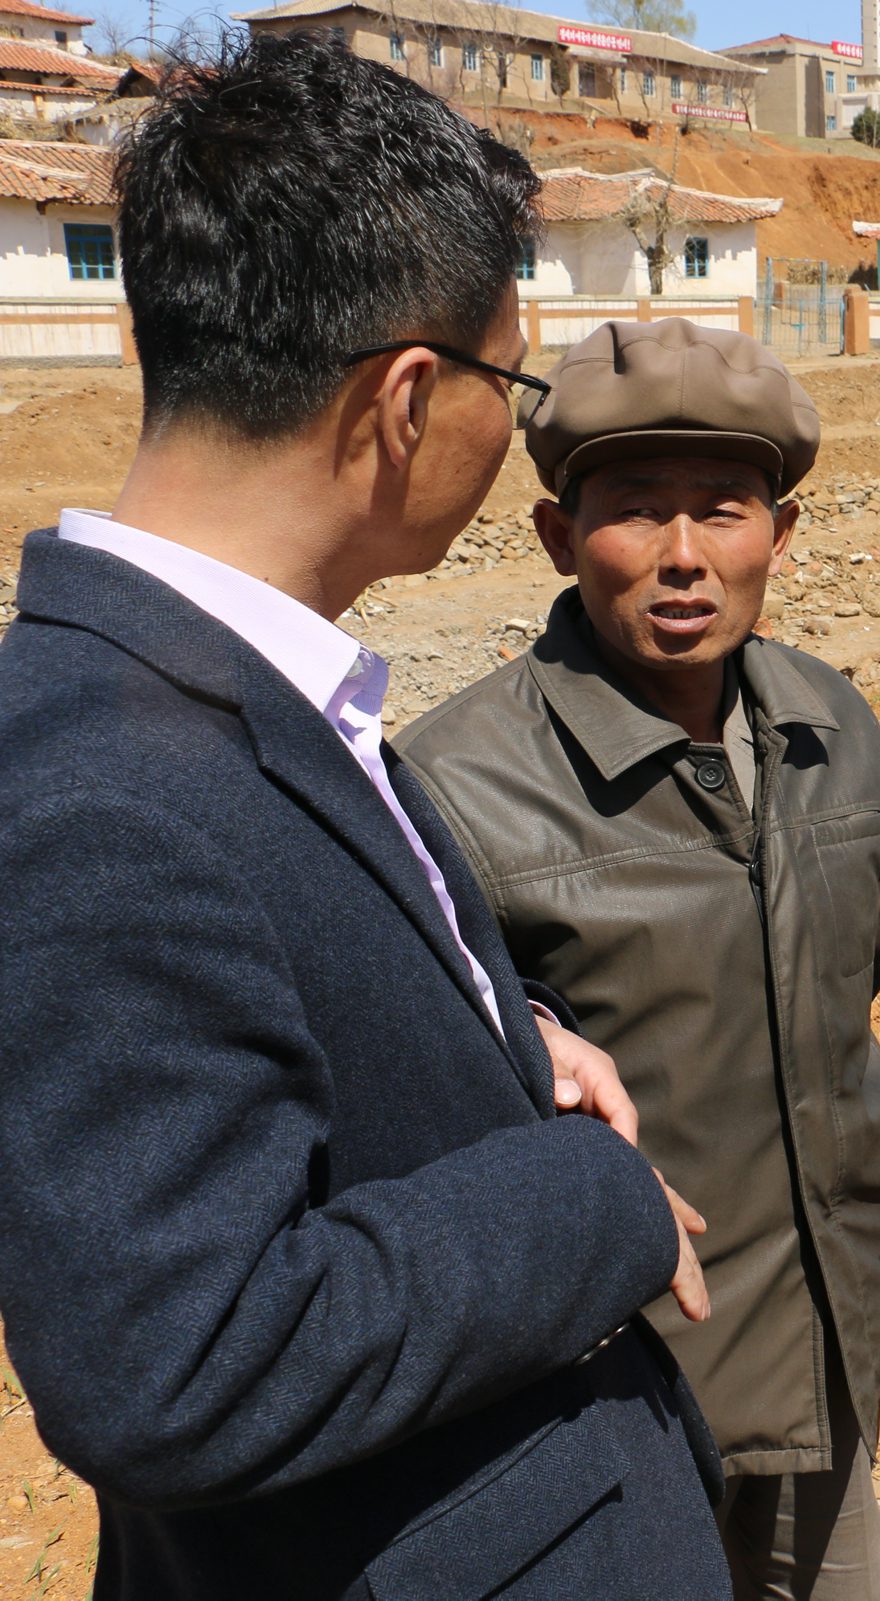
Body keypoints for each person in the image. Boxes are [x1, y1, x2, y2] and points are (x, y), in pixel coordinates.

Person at [0, 34, 730, 1600]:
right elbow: (175, 1359)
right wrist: (586, 1199)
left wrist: (494, 1037)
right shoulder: (100, 790)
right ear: (408, 399)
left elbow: (274, 986)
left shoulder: (224, 687)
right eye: (508, 381)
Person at [397, 318, 880, 1601]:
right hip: (599, 1396)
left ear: (779, 538)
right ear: (561, 539)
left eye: (723, 511)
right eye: (636, 511)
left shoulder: (831, 729)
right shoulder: (454, 785)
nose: (684, 556)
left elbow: (854, 992)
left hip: (823, 1354)